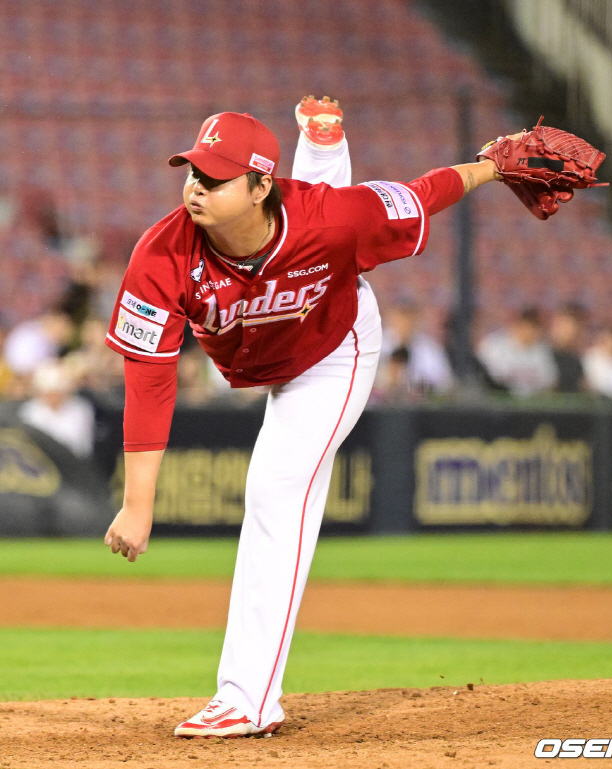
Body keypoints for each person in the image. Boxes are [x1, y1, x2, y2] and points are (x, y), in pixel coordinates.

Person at [103, 97, 505, 738]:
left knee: (276, 489)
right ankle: (322, 147)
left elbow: (422, 195)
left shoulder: (339, 217)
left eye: (215, 178)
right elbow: (149, 378)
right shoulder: (161, 253)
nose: (196, 187)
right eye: (194, 172)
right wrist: (138, 503)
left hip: (332, 348)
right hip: (265, 352)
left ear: (260, 185)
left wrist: (494, 165)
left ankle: (248, 697)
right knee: (317, 221)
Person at [477, 307, 557, 396]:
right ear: (519, 324)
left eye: (536, 328)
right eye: (529, 326)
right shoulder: (493, 345)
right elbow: (485, 377)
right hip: (495, 399)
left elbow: (549, 381)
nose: (532, 332)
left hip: (531, 401)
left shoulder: (542, 350)